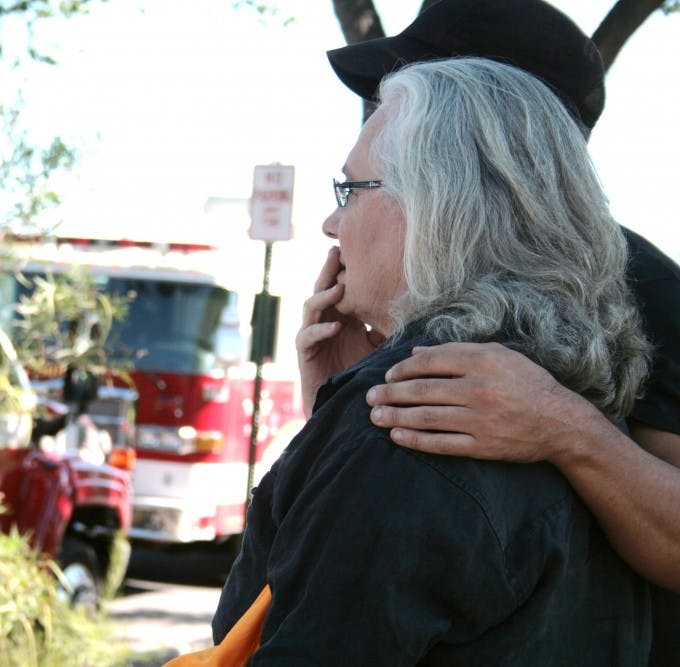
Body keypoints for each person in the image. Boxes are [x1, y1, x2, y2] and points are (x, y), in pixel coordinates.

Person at [201, 57, 651, 664]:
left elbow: (266, 636)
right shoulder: (569, 388)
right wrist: (330, 413)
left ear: (439, 205)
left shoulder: (411, 416)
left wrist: (349, 428)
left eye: (350, 190)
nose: (332, 223)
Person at [314, 1, 679, 663]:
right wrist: (337, 400)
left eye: (428, 93)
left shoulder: (643, 284)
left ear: (491, 123)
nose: (394, 110)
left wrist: (565, 425)